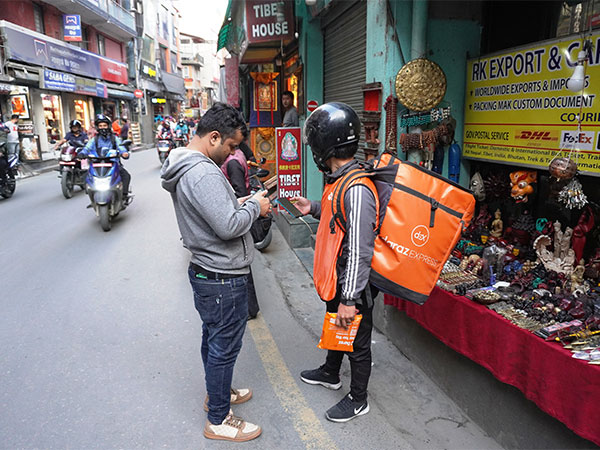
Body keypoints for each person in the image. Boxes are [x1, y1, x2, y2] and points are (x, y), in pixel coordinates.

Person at [160, 103, 270, 442]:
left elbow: (215, 213)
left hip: (208, 270)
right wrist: (256, 207)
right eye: (232, 146)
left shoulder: (187, 165)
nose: (232, 153)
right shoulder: (203, 172)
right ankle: (219, 419)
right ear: (214, 137)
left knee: (214, 339)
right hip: (222, 275)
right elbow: (227, 226)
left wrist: (240, 203)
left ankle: (217, 394)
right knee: (224, 346)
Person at [291, 102, 378, 423]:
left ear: (325, 145)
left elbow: (360, 250)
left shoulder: (357, 188)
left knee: (358, 342)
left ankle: (358, 398)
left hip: (352, 283)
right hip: (336, 277)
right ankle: (331, 372)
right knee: (336, 323)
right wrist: (312, 207)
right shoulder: (339, 180)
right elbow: (336, 217)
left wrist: (349, 299)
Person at [221, 144, 262, 320]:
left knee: (243, 265)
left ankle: (250, 308)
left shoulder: (232, 162)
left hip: (238, 216)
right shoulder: (237, 155)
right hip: (239, 214)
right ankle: (249, 307)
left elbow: (240, 191)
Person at [79, 114, 131, 197]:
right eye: (100, 126)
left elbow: (121, 147)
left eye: (104, 125)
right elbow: (87, 148)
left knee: (126, 176)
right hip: (97, 164)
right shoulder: (94, 139)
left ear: (108, 126)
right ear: (97, 127)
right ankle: (92, 194)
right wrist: (82, 153)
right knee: (86, 176)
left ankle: (124, 195)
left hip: (113, 164)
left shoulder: (114, 138)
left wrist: (124, 153)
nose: (102, 128)